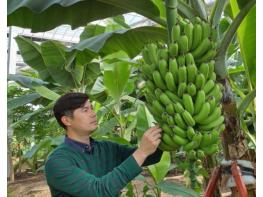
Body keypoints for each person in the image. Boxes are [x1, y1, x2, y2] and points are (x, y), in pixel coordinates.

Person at [45, 92, 163, 197]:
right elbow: (99, 191)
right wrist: (142, 152)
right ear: (67, 120)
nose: (93, 114)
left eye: (91, 108)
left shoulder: (106, 148)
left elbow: (150, 156)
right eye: (85, 110)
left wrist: (167, 133)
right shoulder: (57, 162)